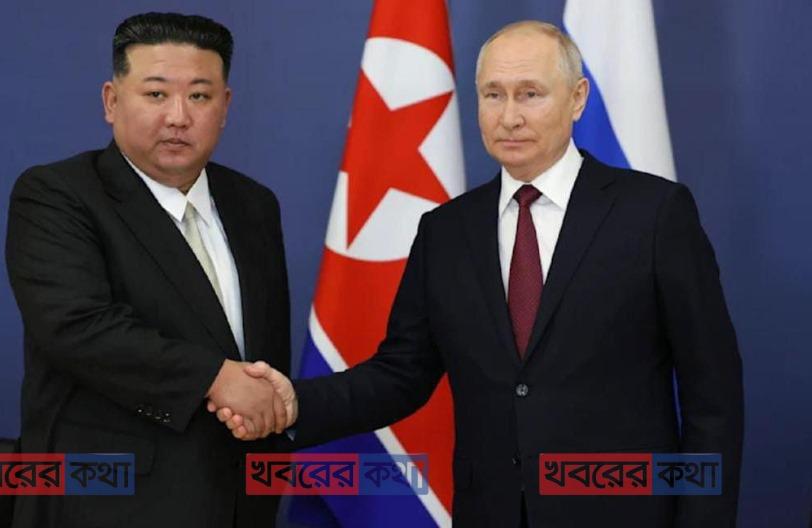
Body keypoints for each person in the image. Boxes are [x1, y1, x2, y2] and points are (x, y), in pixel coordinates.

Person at [214, 20, 744, 528]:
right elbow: (401, 374)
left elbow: (712, 395)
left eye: (530, 94)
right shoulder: (446, 230)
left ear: (577, 98)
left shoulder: (653, 213)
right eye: (493, 94)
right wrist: (295, 402)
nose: (509, 116)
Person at [5, 12, 294, 527]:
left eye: (199, 96)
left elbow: (260, 351)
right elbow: (77, 327)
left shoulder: (254, 204)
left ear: (226, 106)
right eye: (156, 94)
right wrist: (214, 378)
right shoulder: (57, 194)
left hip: (240, 500)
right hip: (108, 503)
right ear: (112, 101)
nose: (178, 116)